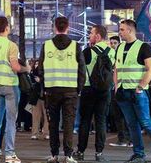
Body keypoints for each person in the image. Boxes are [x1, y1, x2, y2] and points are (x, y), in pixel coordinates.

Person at [113, 19, 151, 163]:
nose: (120, 32)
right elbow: (117, 69)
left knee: (146, 122)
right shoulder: (119, 48)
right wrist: (116, 86)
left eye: (122, 29)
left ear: (130, 30)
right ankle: (138, 154)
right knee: (131, 124)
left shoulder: (144, 47)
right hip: (123, 92)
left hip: (137, 92)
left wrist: (140, 87)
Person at [0, 16, 29, 163]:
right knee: (10, 120)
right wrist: (26, 68)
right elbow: (15, 67)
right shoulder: (11, 45)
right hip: (10, 84)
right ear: (7, 28)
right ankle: (9, 154)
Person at [39, 16, 84, 163]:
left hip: (51, 91)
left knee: (53, 124)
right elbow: (82, 70)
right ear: (68, 27)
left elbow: (41, 70)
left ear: (54, 27)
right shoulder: (75, 46)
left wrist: (43, 89)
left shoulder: (46, 46)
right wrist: (79, 89)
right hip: (71, 91)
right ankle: (69, 155)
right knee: (68, 124)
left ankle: (54, 154)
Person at [74, 24, 114, 162]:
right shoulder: (112, 52)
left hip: (88, 89)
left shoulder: (87, 52)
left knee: (85, 121)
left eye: (91, 33)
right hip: (105, 91)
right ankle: (99, 153)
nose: (89, 36)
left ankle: (80, 151)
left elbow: (79, 71)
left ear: (97, 36)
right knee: (101, 121)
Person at [28, 60, 48, 141]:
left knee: (46, 116)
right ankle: (35, 133)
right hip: (37, 97)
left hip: (45, 96)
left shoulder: (47, 71)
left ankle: (46, 133)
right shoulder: (34, 73)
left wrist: (41, 80)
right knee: (36, 116)